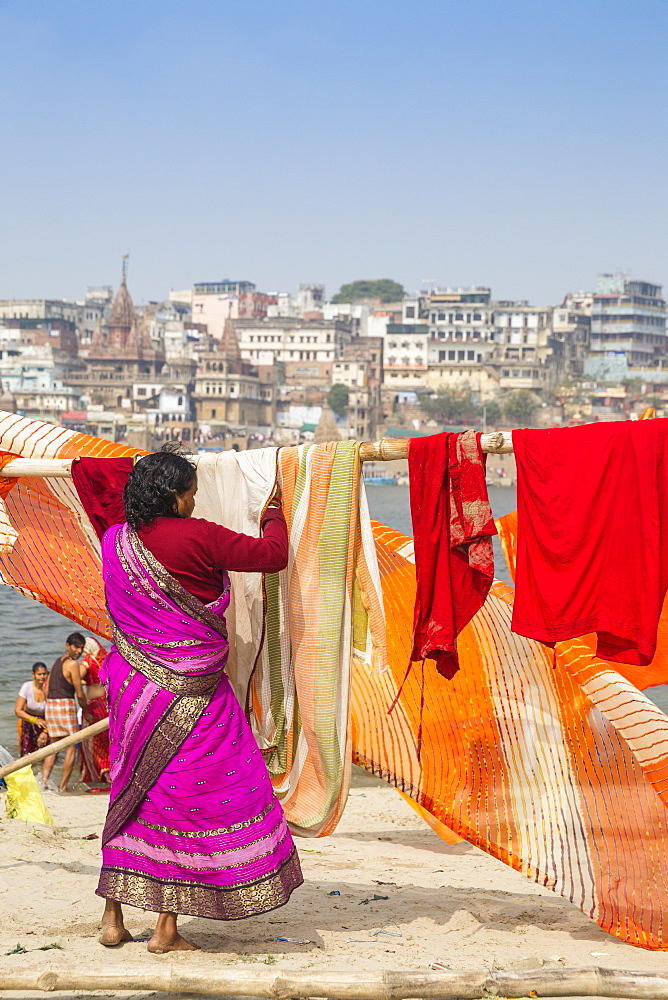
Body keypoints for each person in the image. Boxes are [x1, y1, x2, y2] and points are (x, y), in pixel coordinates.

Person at [97, 451, 302, 953]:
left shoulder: (114, 541)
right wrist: (272, 508)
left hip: (131, 689)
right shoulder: (201, 536)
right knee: (191, 798)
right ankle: (165, 929)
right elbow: (272, 555)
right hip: (193, 694)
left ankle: (112, 915)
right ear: (175, 495)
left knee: (132, 788)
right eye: (190, 490)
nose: (194, 498)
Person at [41, 632, 92, 792]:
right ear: (67, 646)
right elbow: (79, 692)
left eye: (81, 648)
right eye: (76, 647)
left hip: (51, 706)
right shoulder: (72, 664)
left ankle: (43, 782)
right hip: (65, 705)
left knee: (53, 746)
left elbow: (47, 688)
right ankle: (62, 787)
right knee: (70, 746)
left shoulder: (56, 662)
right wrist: (86, 711)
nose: (78, 651)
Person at [79, 636, 111, 786]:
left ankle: (101, 773)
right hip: (106, 701)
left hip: (94, 704)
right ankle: (112, 769)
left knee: (95, 740)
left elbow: (76, 677)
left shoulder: (88, 660)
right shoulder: (105, 658)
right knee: (108, 738)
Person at [14, 662, 49, 755]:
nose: (42, 677)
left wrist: (46, 731)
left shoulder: (49, 689)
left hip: (46, 723)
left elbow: (55, 713)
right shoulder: (27, 687)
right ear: (33, 675)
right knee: (26, 753)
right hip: (29, 722)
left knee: (47, 753)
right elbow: (18, 710)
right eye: (39, 674)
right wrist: (35, 720)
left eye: (44, 674)